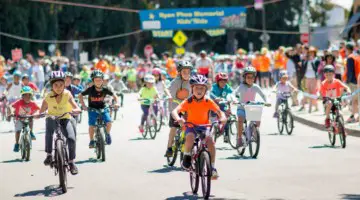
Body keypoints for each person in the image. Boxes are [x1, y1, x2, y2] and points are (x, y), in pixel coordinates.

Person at [172, 74, 226, 180]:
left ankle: (212, 167)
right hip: (191, 126)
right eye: (196, 87)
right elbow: (175, 111)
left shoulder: (208, 101)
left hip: (204, 126)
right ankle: (187, 156)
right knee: (190, 137)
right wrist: (179, 119)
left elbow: (220, 112)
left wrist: (223, 118)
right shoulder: (188, 101)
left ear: (205, 90)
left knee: (210, 143)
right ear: (192, 89)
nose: (199, 90)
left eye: (202, 88)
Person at [39, 71, 81, 175]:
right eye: (55, 85)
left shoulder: (68, 94)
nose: (58, 87)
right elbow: (41, 110)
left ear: (64, 84)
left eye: (61, 85)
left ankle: (71, 162)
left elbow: (75, 106)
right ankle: (49, 155)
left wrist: (76, 109)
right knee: (49, 133)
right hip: (52, 118)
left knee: (71, 138)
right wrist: (38, 114)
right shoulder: (48, 96)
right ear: (51, 86)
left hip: (65, 118)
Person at [78, 70, 119, 148]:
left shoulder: (105, 89)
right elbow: (80, 95)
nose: (98, 81)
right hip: (92, 109)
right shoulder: (90, 89)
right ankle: (91, 140)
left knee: (109, 122)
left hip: (103, 108)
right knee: (91, 125)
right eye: (96, 80)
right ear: (93, 81)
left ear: (103, 80)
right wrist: (83, 105)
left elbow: (115, 96)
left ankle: (107, 134)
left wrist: (117, 103)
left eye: (100, 80)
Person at [233, 66, 268, 147]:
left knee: (257, 121)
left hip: (251, 107)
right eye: (248, 77)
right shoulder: (242, 86)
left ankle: (253, 132)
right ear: (244, 78)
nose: (250, 79)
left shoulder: (256, 86)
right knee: (240, 120)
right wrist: (234, 99)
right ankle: (239, 139)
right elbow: (234, 93)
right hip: (242, 107)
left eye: (252, 77)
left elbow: (263, 95)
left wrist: (267, 101)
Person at [165, 61, 192, 157]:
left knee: (192, 125)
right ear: (179, 72)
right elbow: (167, 89)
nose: (186, 74)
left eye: (188, 72)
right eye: (184, 71)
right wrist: (169, 96)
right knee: (174, 128)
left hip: (187, 108)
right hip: (175, 108)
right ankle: (169, 148)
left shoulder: (192, 82)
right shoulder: (176, 81)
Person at [7, 86, 39, 151]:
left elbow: (38, 109)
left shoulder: (32, 103)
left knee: (31, 119)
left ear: (31, 96)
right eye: (25, 95)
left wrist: (36, 114)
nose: (27, 97)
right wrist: (10, 112)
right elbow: (10, 106)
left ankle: (31, 132)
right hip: (19, 118)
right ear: (22, 96)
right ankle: (17, 143)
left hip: (28, 118)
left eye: (29, 95)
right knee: (18, 131)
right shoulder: (19, 102)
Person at [210, 72, 233, 143]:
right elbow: (210, 93)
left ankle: (226, 134)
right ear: (217, 82)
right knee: (213, 120)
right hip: (214, 106)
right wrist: (215, 98)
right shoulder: (214, 86)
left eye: (225, 81)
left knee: (228, 118)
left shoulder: (227, 87)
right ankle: (211, 133)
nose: (223, 83)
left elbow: (233, 92)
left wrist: (235, 97)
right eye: (221, 81)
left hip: (223, 105)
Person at [299, 46, 320, 113]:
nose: (311, 54)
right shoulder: (306, 60)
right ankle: (314, 107)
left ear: (314, 53)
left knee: (312, 92)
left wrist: (311, 61)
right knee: (307, 92)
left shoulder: (316, 60)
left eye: (312, 52)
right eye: (310, 52)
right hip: (307, 77)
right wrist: (304, 60)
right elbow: (303, 68)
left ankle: (310, 108)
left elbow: (316, 69)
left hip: (313, 77)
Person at [343, 42, 360, 123]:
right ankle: (356, 116)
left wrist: (347, 81)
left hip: (353, 82)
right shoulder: (357, 55)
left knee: (354, 100)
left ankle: (354, 116)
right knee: (356, 100)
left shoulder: (350, 57)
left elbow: (350, 71)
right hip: (358, 80)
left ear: (347, 49)